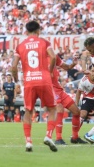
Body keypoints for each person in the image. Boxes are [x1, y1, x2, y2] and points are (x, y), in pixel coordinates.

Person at [12, 20, 58, 152]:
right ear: (38, 30)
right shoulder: (44, 42)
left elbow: (14, 66)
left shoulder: (20, 46)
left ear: (26, 32)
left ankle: (28, 142)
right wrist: (49, 72)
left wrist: (16, 82)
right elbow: (53, 57)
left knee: (28, 111)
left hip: (29, 81)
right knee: (52, 109)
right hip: (44, 79)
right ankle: (48, 135)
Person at [52, 54, 87, 145]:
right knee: (59, 109)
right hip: (51, 90)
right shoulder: (41, 61)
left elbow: (66, 67)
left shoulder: (54, 57)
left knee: (76, 111)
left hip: (59, 90)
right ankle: (58, 138)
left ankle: (75, 137)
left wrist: (73, 64)